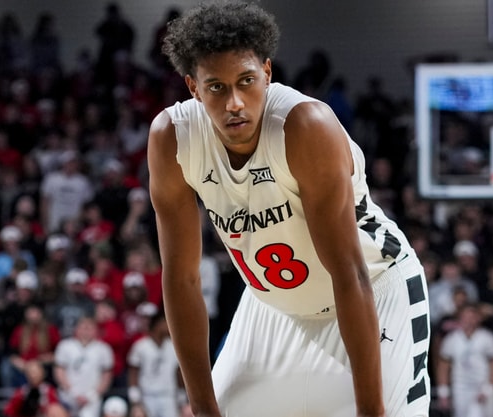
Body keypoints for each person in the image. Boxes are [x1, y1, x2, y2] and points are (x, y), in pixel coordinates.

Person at [147, 2, 430, 416]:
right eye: (216, 88)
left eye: (246, 81)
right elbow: (182, 279)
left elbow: (349, 274)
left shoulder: (305, 127)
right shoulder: (173, 137)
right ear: (193, 87)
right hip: (273, 307)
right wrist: (203, 407)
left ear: (267, 71)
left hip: (373, 290)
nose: (235, 103)